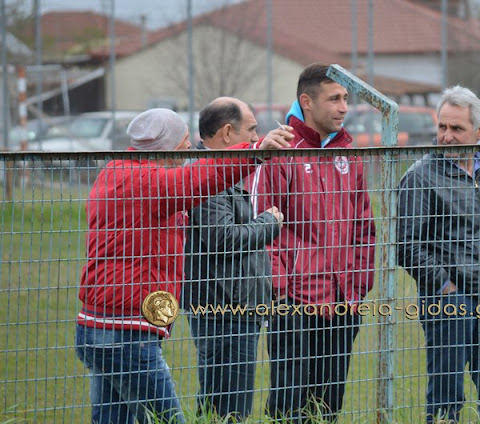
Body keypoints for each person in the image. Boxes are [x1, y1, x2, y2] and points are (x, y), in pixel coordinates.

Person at [75, 108, 289, 424]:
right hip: (126, 333)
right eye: (184, 142)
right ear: (167, 147)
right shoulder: (147, 182)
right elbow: (199, 179)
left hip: (98, 327)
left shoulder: (116, 172)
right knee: (168, 419)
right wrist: (255, 153)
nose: (189, 149)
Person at [251, 63, 377, 422]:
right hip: (295, 303)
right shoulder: (282, 150)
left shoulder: (347, 152)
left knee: (328, 406)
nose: (343, 108)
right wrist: (281, 292)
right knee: (289, 405)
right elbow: (264, 229)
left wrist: (357, 286)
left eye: (345, 98)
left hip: (343, 301)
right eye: (334, 99)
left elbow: (364, 226)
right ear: (307, 101)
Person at [396, 86, 480, 423]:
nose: (446, 136)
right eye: (442, 127)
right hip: (450, 300)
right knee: (446, 396)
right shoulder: (420, 176)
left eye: (456, 128)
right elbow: (407, 246)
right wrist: (446, 287)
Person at [182, 97, 291, 420]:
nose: (256, 137)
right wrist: (269, 223)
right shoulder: (206, 175)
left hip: (234, 305)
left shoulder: (220, 172)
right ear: (228, 133)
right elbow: (223, 238)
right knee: (228, 409)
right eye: (251, 130)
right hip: (225, 309)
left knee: (224, 403)